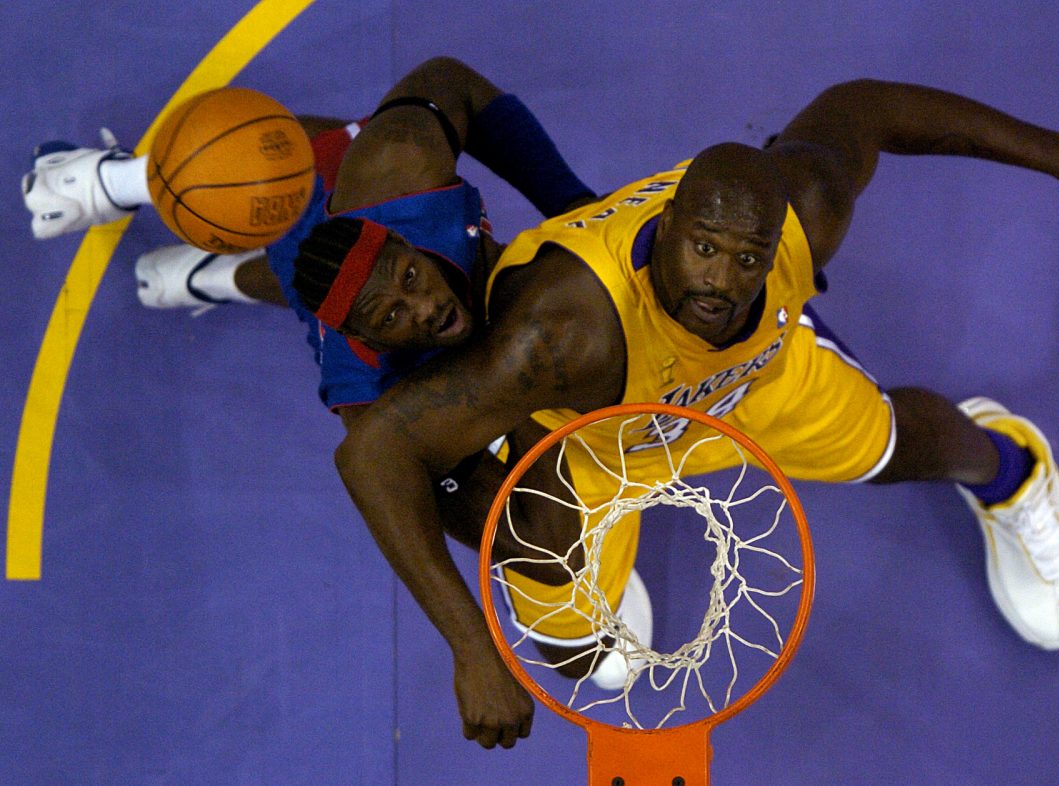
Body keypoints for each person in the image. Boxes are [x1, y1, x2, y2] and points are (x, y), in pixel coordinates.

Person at [312, 78, 1059, 749]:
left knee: (922, 446)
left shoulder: (803, 210)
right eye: (702, 249)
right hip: (601, 440)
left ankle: (1019, 472)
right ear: (669, 218)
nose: (721, 283)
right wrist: (470, 647)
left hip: (756, 389)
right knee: (575, 647)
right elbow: (375, 453)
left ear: (778, 246)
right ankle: (596, 567)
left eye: (746, 258)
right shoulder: (557, 337)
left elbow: (866, 108)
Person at [22, 57, 649, 738]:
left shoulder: (400, 174)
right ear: (363, 338)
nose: (425, 307)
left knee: (257, 160)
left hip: (334, 195)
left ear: (398, 235)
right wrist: (522, 406)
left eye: (412, 275)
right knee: (291, 273)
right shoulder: (371, 393)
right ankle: (153, 224)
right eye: (391, 319)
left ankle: (170, 236)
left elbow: (450, 79)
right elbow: (493, 527)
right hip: (351, 315)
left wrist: (571, 199)